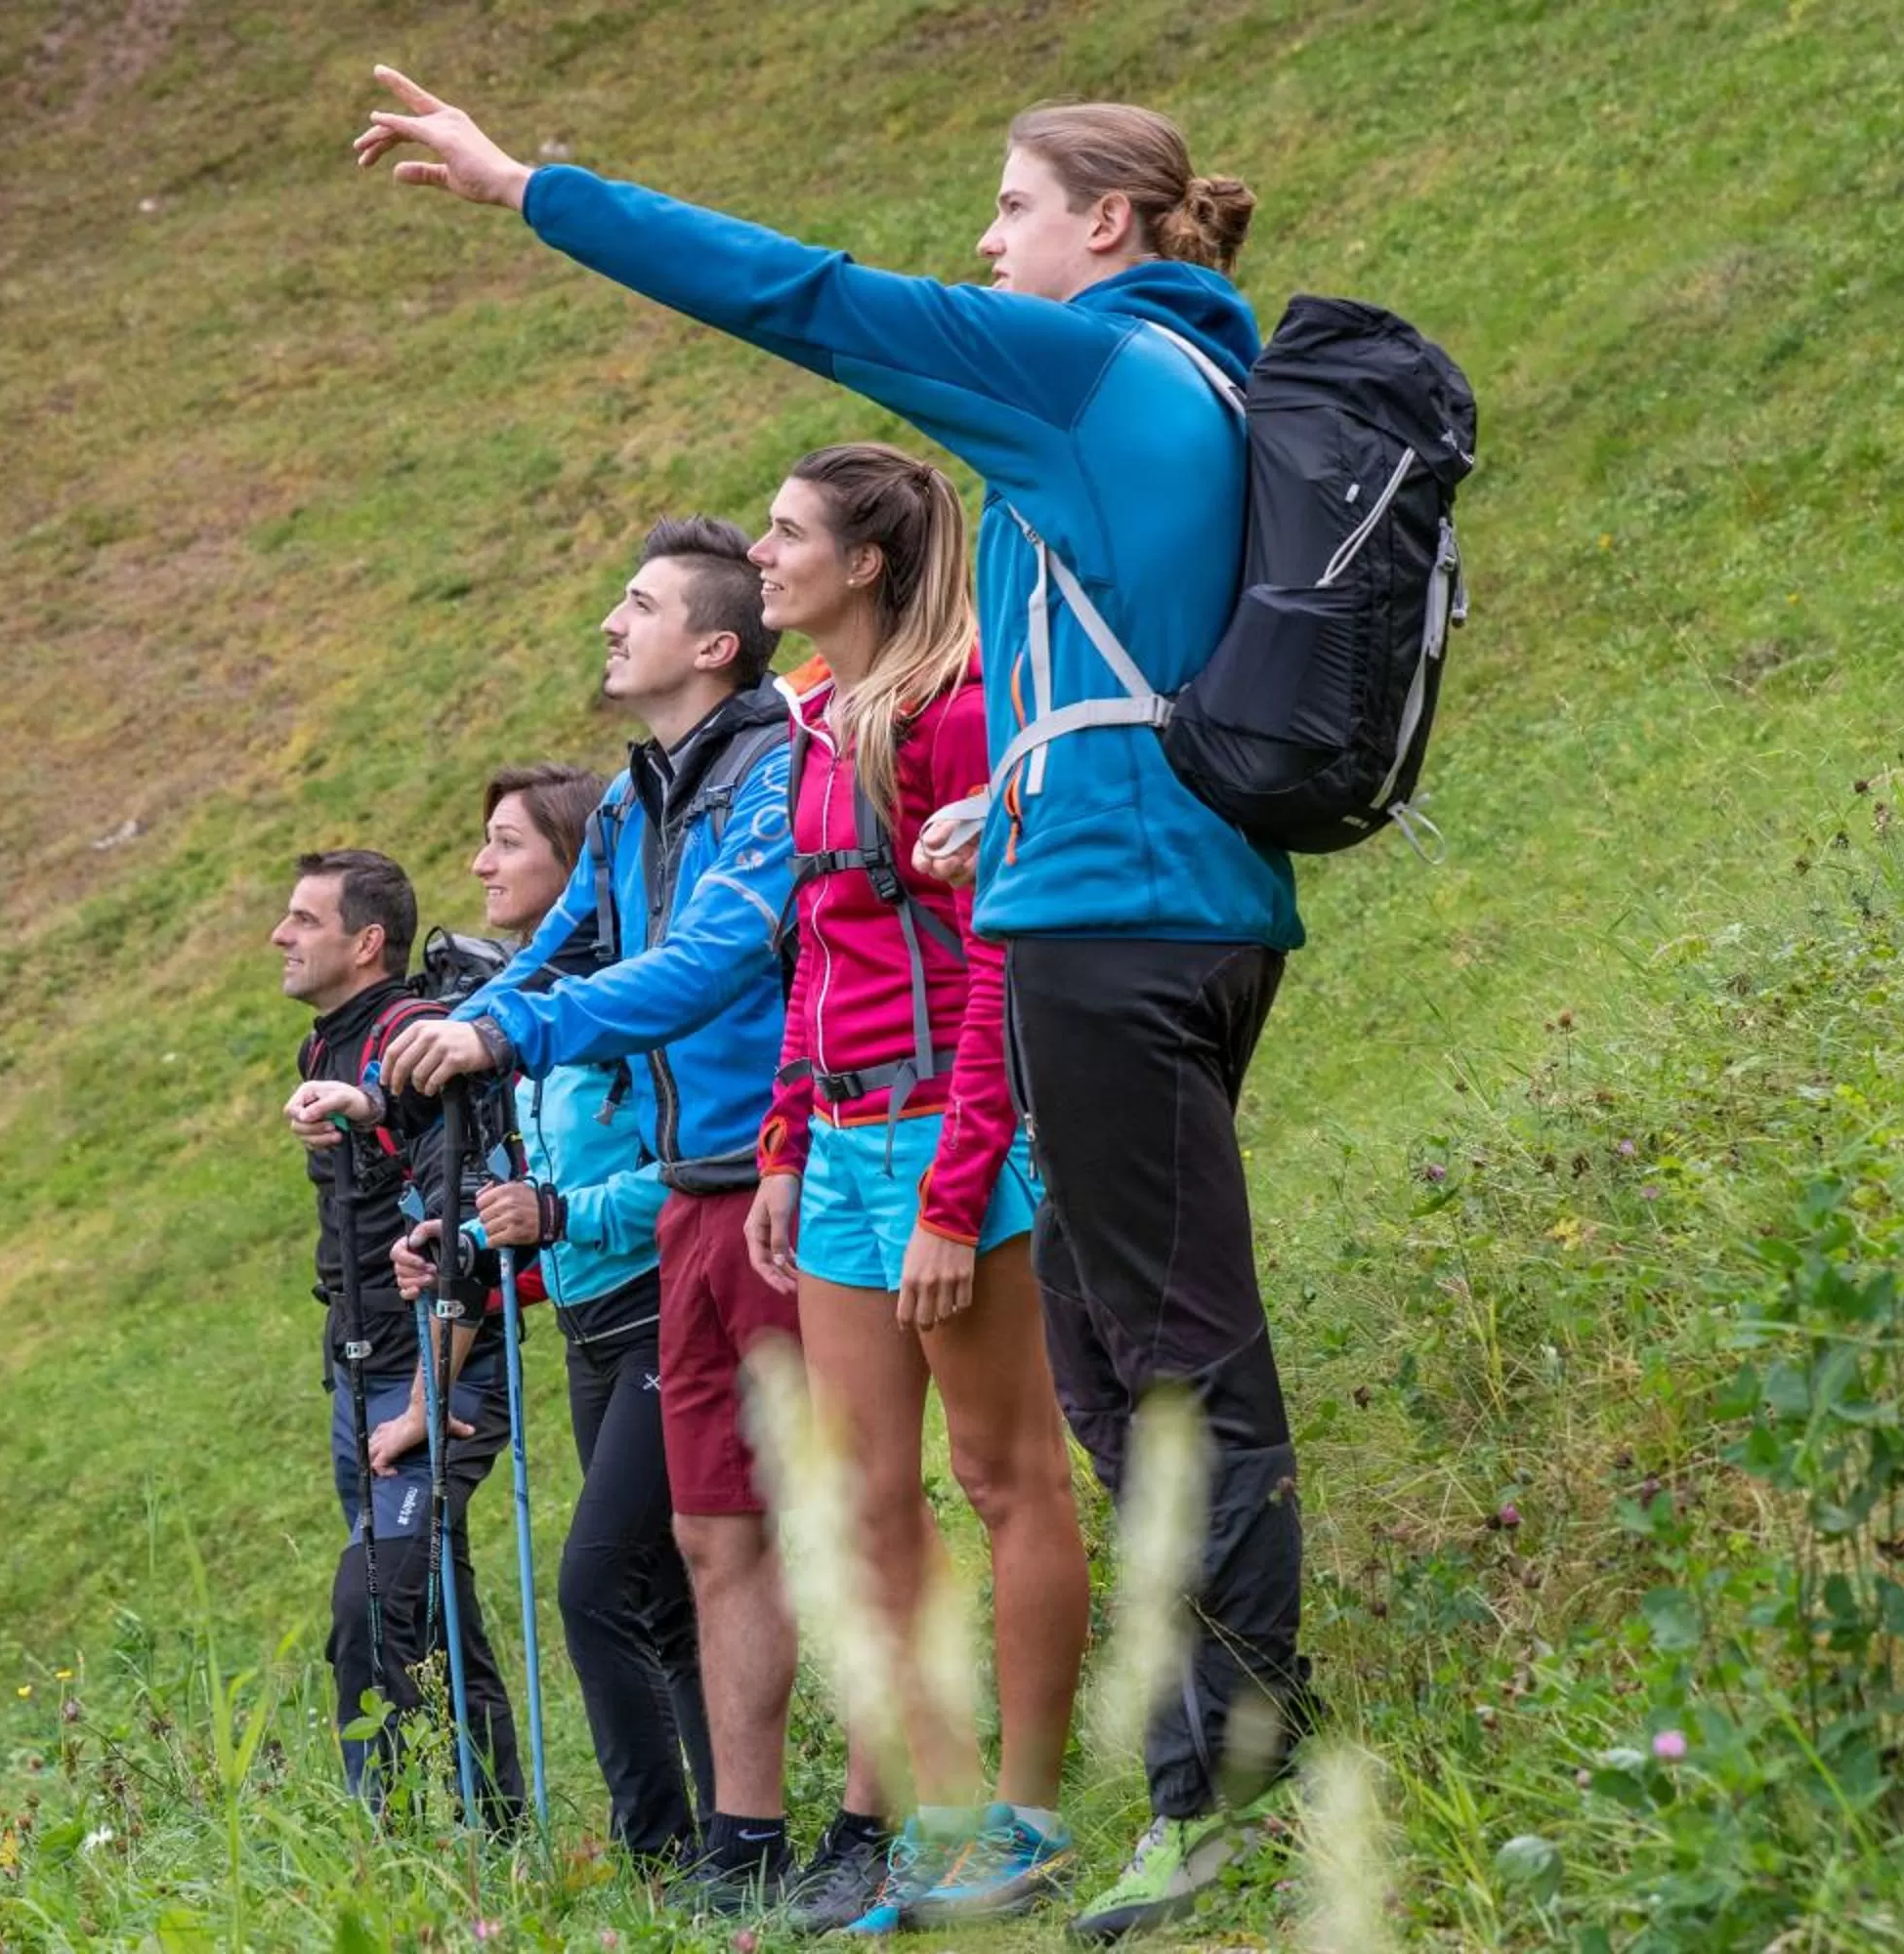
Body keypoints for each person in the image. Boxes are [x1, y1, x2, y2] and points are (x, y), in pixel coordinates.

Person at [356, 77, 1312, 1939]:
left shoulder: (1080, 368)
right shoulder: (1204, 385)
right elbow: (1156, 680)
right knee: (1127, 1383)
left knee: (1170, 1388)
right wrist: (1006, 806)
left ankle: (1230, 1808)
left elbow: (796, 293)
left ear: (1104, 226)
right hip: (1165, 905)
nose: (988, 243)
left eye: (1015, 206)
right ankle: (1177, 1801)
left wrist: (525, 183)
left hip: (1115, 936)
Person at [381, 521, 888, 1912]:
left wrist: (513, 1036)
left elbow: (713, 961)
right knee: (716, 1540)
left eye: (639, 604)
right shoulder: (629, 799)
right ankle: (743, 1847)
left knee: (826, 1519)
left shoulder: (771, 772)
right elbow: (554, 952)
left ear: (713, 646)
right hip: (692, 1210)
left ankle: (881, 1819)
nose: (611, 622)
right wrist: (413, 1055)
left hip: (793, 1176)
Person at [737, 442, 1086, 1932]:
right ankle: (936, 1827)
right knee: (871, 1504)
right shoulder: (817, 722)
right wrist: (783, 1144)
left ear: (865, 562)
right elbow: (823, 953)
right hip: (840, 1157)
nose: (761, 552)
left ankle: (1028, 1817)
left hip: (957, 1137)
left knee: (1006, 1478)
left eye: (786, 531)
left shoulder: (955, 715)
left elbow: (997, 947)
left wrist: (958, 1190)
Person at [379, 763, 715, 1868]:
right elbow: (528, 1197)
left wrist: (562, 1209)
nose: (479, 864)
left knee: (596, 1582)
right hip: (588, 1326)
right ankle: (717, 1842)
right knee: (661, 1595)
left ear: (578, 869)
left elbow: (703, 1166)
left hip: (666, 1309)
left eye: (506, 842)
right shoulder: (530, 1029)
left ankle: (662, 1849)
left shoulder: (632, 1005)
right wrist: (466, 1239)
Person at [274, 849, 524, 1816]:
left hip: (433, 1377)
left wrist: (426, 1396)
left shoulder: (417, 1036)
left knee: (374, 1600)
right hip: (359, 1370)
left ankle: (380, 1829)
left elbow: (462, 1219)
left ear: (366, 939)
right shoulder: (324, 1045)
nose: (280, 935)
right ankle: (497, 1830)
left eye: (303, 917)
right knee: (429, 1606)